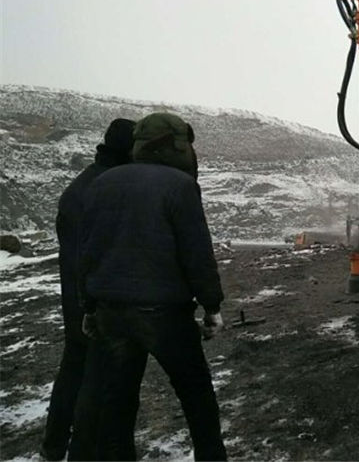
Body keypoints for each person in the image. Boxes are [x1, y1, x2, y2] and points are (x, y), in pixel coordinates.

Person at [78, 112, 227, 461]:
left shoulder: (102, 183)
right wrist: (212, 306)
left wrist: (88, 306)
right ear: (176, 146)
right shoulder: (180, 185)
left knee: (116, 406)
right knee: (197, 398)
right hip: (164, 314)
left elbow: (88, 251)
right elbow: (196, 252)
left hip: (111, 312)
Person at [41, 118, 137, 461]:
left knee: (74, 367)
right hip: (90, 297)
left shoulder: (86, 182)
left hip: (77, 293)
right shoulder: (102, 189)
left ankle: (54, 446)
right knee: (93, 379)